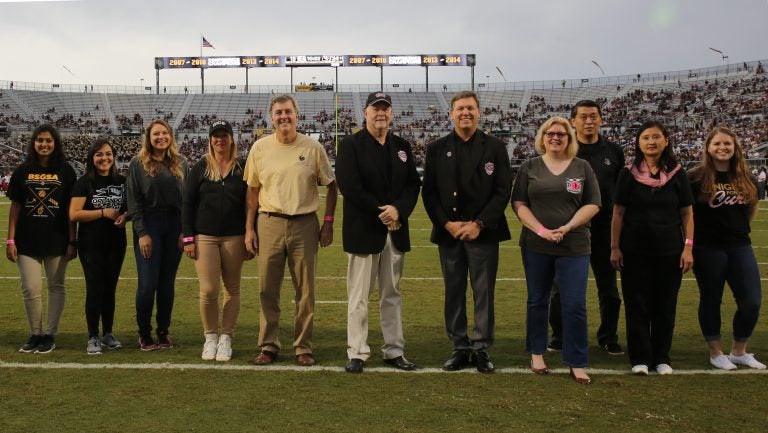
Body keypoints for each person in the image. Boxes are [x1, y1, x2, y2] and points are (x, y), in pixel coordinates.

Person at [244, 94, 337, 367]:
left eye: (288, 112)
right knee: (267, 289)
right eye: (278, 113)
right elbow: (252, 190)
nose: (283, 117)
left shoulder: (312, 147)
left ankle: (303, 346)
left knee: (305, 290)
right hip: (269, 221)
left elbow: (331, 185)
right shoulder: (260, 148)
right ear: (271, 117)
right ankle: (269, 345)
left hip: (304, 223)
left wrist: (328, 221)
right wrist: (249, 228)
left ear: (297, 115)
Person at [422, 90, 511, 373]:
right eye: (460, 108)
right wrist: (446, 224)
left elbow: (502, 190)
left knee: (483, 291)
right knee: (454, 290)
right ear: (451, 113)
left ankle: (481, 348)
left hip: (482, 233)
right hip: (450, 233)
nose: (465, 113)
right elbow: (430, 193)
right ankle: (460, 346)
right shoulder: (437, 148)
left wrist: (479, 224)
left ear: (479, 112)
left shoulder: (495, 147)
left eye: (470, 108)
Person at [335, 92, 422, 373]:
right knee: (359, 296)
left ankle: (394, 350)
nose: (380, 113)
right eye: (376, 108)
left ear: (391, 114)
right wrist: (380, 210)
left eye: (385, 109)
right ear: (365, 112)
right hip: (364, 229)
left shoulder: (402, 146)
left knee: (391, 294)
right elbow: (349, 185)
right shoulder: (351, 145)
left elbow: (412, 185)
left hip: (395, 230)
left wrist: (398, 210)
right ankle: (357, 352)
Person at [511, 117, 600, 385]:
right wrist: (541, 230)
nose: (556, 137)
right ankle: (537, 353)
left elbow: (594, 203)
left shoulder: (582, 167)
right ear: (543, 137)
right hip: (537, 245)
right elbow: (519, 203)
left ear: (569, 138)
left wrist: (567, 226)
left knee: (574, 304)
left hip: (574, 245)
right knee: (537, 300)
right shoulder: (530, 166)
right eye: (551, 133)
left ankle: (577, 361)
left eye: (562, 134)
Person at [610, 120, 694, 375]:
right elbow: (618, 213)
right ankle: (640, 358)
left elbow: (687, 214)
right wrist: (615, 247)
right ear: (638, 142)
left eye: (656, 137)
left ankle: (662, 357)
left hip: (669, 250)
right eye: (645, 137)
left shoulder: (678, 173)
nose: (651, 141)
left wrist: (688, 247)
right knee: (637, 305)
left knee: (665, 305)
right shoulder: (628, 173)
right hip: (634, 250)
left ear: (666, 140)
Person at [548, 100, 625, 355]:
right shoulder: (564, 150)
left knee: (609, 288)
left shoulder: (613, 151)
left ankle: (608, 336)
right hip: (570, 229)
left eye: (593, 116)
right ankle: (560, 335)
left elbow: (620, 193)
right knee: (561, 288)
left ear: (601, 119)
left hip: (604, 229)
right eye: (583, 117)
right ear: (573, 121)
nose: (589, 121)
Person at [687, 127, 765, 370]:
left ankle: (739, 350)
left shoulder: (746, 177)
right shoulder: (695, 177)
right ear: (708, 148)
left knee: (751, 301)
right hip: (707, 247)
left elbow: (751, 209)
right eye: (717, 144)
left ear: (735, 148)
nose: (722, 148)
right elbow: (686, 214)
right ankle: (716, 352)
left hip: (740, 245)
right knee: (711, 299)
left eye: (727, 144)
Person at [182, 120, 252, 362]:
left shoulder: (243, 166)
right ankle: (210, 336)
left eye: (224, 135)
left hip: (235, 236)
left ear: (232, 139)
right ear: (210, 139)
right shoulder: (200, 166)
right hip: (205, 237)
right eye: (215, 136)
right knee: (209, 290)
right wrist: (188, 237)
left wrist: (250, 233)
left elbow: (250, 203)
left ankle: (226, 337)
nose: (219, 139)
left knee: (232, 289)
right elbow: (188, 203)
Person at [6, 124, 77, 354]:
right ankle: (35, 333)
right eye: (40, 140)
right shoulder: (22, 171)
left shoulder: (66, 170)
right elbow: (15, 207)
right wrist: (10, 240)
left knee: (56, 286)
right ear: (33, 143)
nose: (44, 144)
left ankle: (49, 334)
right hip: (27, 241)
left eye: (48, 140)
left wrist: (72, 240)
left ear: (55, 143)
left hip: (57, 239)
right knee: (30, 288)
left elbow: (69, 209)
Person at [126, 119, 188, 351]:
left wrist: (185, 231)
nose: (161, 137)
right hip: (149, 225)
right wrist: (142, 232)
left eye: (164, 133)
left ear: (170, 136)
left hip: (174, 226)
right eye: (156, 134)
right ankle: (144, 333)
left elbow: (187, 200)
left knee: (166, 284)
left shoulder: (181, 162)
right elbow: (133, 200)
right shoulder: (137, 163)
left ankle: (163, 331)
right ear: (148, 138)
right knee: (147, 283)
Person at [69, 138, 128, 355]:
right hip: (90, 244)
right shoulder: (84, 182)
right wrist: (102, 212)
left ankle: (108, 333)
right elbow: (74, 214)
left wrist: (125, 216)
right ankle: (93, 335)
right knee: (94, 289)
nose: (104, 158)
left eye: (108, 154)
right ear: (92, 158)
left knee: (110, 290)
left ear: (114, 157)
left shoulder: (123, 180)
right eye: (99, 154)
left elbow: (130, 208)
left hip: (116, 244)